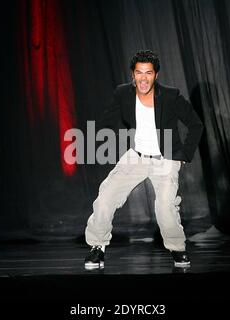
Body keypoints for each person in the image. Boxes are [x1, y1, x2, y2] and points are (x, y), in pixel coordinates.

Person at [84, 50, 203, 268]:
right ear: (133, 74)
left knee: (165, 208)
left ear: (156, 75)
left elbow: (196, 124)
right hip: (136, 156)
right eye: (139, 73)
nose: (143, 78)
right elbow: (106, 121)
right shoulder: (123, 94)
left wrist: (184, 155)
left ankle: (177, 249)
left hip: (164, 159)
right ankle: (97, 247)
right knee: (106, 197)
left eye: (148, 73)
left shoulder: (170, 96)